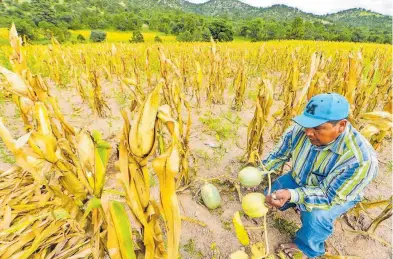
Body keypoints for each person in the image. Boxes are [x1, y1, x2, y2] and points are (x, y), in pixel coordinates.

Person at [261, 93, 378, 258]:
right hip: (300, 179)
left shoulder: (360, 160)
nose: (308, 132)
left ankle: (308, 248)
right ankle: (296, 203)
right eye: (307, 125)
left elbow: (329, 196)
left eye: (317, 128)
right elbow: (278, 155)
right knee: (269, 194)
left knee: (316, 215)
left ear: (341, 126)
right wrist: (260, 171)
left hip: (335, 195)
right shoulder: (301, 130)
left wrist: (292, 194)